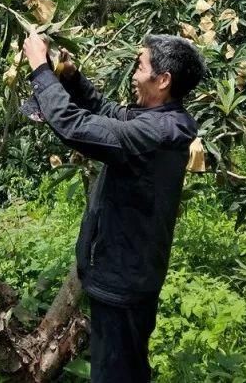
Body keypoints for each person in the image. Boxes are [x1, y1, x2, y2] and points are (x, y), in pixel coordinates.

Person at [23, 31, 207, 383]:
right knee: (127, 369)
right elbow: (107, 112)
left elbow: (75, 126)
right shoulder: (159, 122)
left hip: (122, 281)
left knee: (115, 374)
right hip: (126, 275)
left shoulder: (156, 134)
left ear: (163, 80)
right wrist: (71, 78)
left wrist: (38, 68)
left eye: (140, 67)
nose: (134, 76)